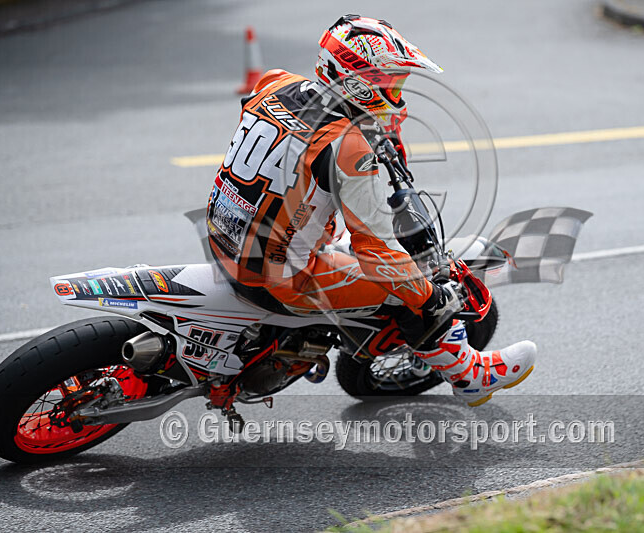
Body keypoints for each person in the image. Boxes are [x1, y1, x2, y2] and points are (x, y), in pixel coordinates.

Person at [206, 14, 536, 406]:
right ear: (358, 83)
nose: (397, 93)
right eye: (389, 82)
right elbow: (378, 254)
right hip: (277, 276)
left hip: (225, 235)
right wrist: (430, 297)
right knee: (409, 290)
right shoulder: (348, 148)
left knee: (333, 227)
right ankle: (470, 374)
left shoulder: (275, 82)